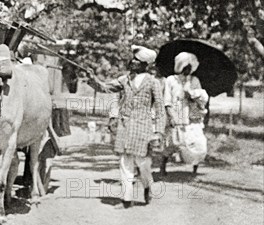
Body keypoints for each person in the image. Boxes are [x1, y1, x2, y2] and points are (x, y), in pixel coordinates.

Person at [86, 45, 166, 208]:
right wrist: (92, 79)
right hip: (125, 125)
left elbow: (160, 108)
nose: (132, 62)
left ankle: (148, 185)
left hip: (143, 127)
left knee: (142, 163)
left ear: (145, 64)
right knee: (125, 162)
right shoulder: (125, 80)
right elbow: (105, 87)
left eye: (137, 61)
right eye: (133, 59)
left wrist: (159, 131)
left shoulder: (153, 82)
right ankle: (127, 199)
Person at [161, 52, 209, 176]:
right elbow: (167, 100)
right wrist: (171, 116)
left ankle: (195, 167)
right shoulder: (171, 80)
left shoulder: (195, 80)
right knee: (172, 142)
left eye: (190, 68)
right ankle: (163, 165)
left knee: (196, 141)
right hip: (176, 114)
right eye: (185, 67)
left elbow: (200, 98)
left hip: (192, 116)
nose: (188, 70)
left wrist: (191, 94)